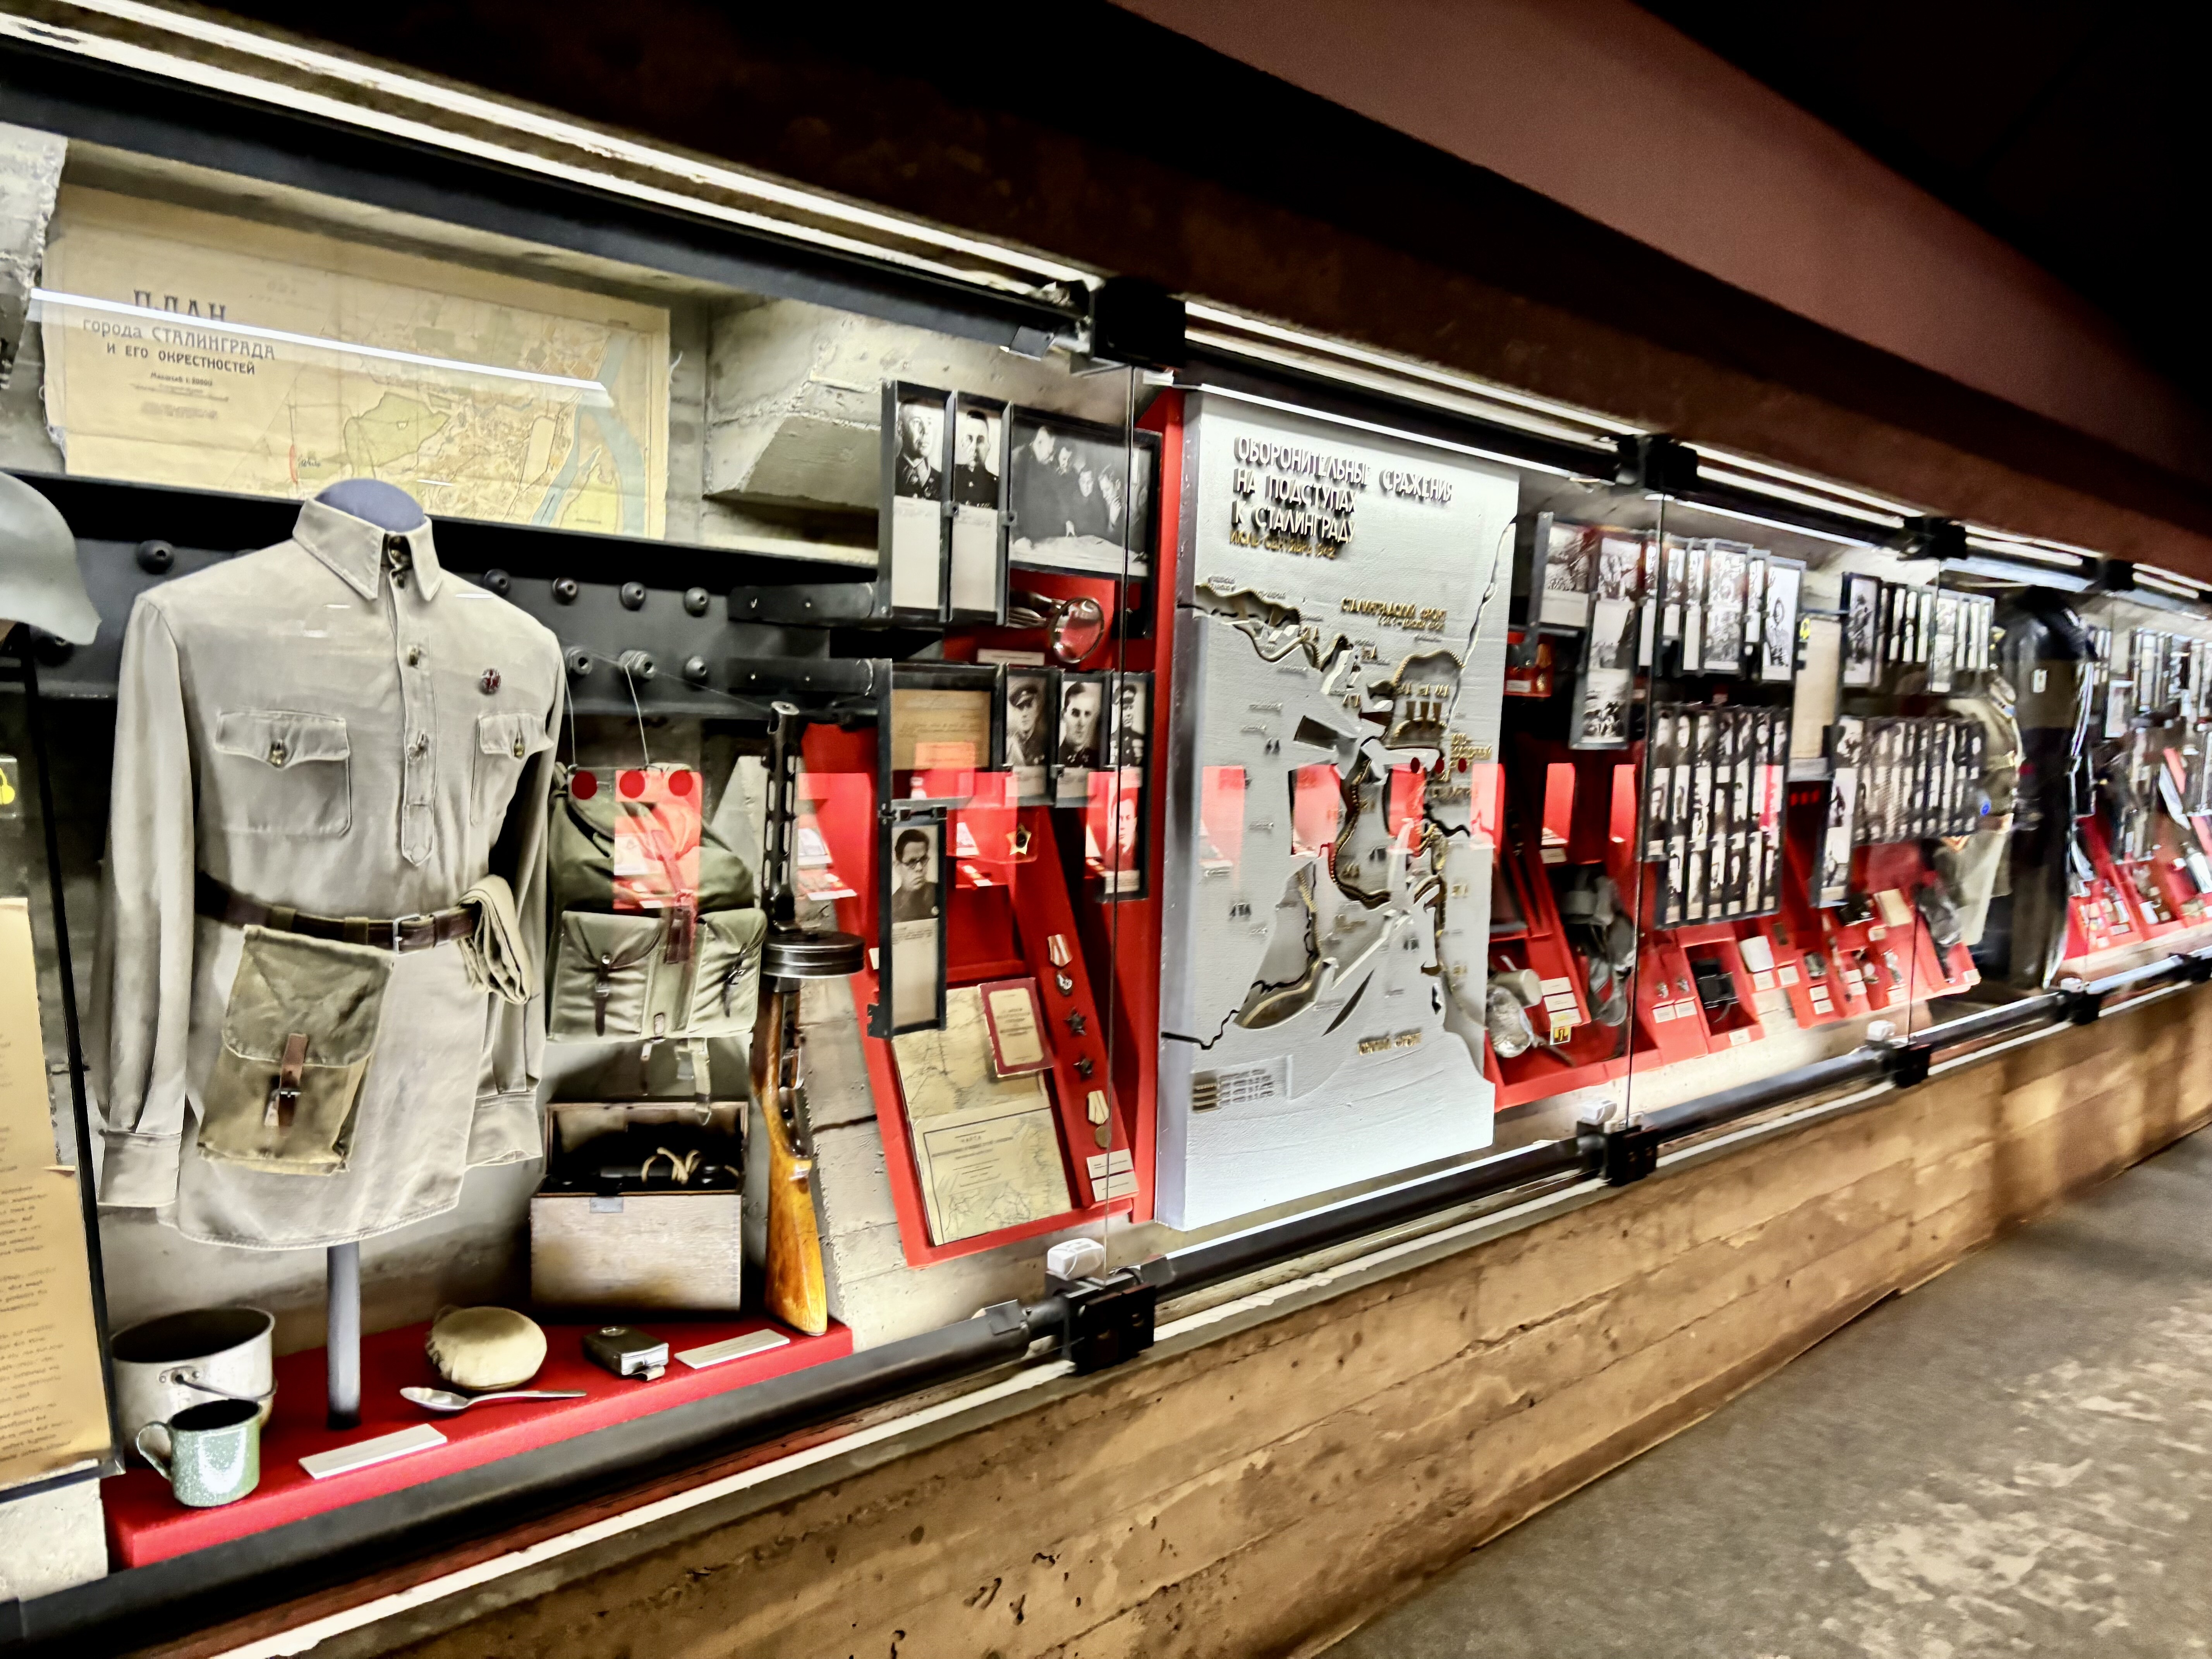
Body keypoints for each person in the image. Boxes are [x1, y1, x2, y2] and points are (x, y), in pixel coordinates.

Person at [890, 826, 939, 922]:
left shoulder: (940, 892)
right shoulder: (892, 906)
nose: (920, 868)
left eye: (923, 860)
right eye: (912, 862)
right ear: (898, 867)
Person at [895, 402, 942, 499]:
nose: (926, 431)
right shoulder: (887, 473)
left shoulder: (943, 482)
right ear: (900, 428)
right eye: (917, 422)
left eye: (929, 423)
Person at [953, 408, 998, 508]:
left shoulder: (998, 487)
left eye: (980, 440)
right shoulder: (951, 478)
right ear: (962, 444)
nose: (974, 447)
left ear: (988, 447)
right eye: (970, 439)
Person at [1058, 680, 1103, 768]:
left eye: (1087, 714)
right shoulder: (1055, 758)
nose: (1082, 723)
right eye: (1075, 713)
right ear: (1063, 715)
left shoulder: (1097, 760)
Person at [1005, 675, 1045, 767]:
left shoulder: (1045, 745)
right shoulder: (1008, 746)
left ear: (1038, 709)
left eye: (1029, 705)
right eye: (1020, 707)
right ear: (1014, 712)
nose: (1024, 714)